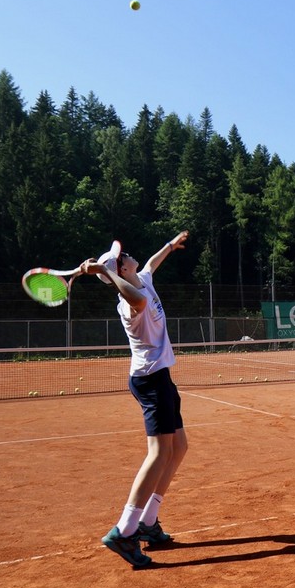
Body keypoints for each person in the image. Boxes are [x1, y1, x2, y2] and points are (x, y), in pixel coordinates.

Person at [81, 231, 190, 568]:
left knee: (179, 447)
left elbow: (153, 262)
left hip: (162, 377)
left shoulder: (140, 277)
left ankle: (148, 522)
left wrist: (171, 245)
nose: (129, 257)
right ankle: (124, 531)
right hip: (148, 380)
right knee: (159, 452)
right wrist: (105, 272)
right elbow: (138, 301)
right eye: (123, 258)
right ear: (121, 272)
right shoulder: (129, 304)